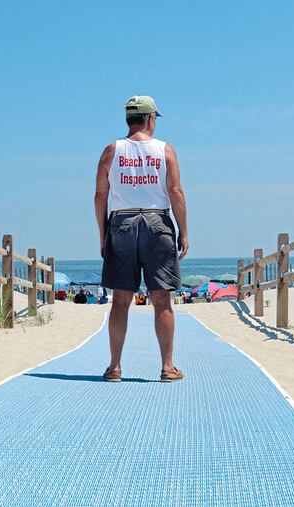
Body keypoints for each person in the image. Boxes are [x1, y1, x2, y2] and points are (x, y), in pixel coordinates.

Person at [95, 95, 189, 383]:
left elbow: (100, 195)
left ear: (128, 119)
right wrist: (183, 231)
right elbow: (175, 192)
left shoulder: (112, 150)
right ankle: (167, 366)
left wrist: (103, 234)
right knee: (162, 299)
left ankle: (114, 367)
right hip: (156, 221)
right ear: (150, 119)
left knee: (120, 299)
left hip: (121, 222)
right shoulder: (165, 151)